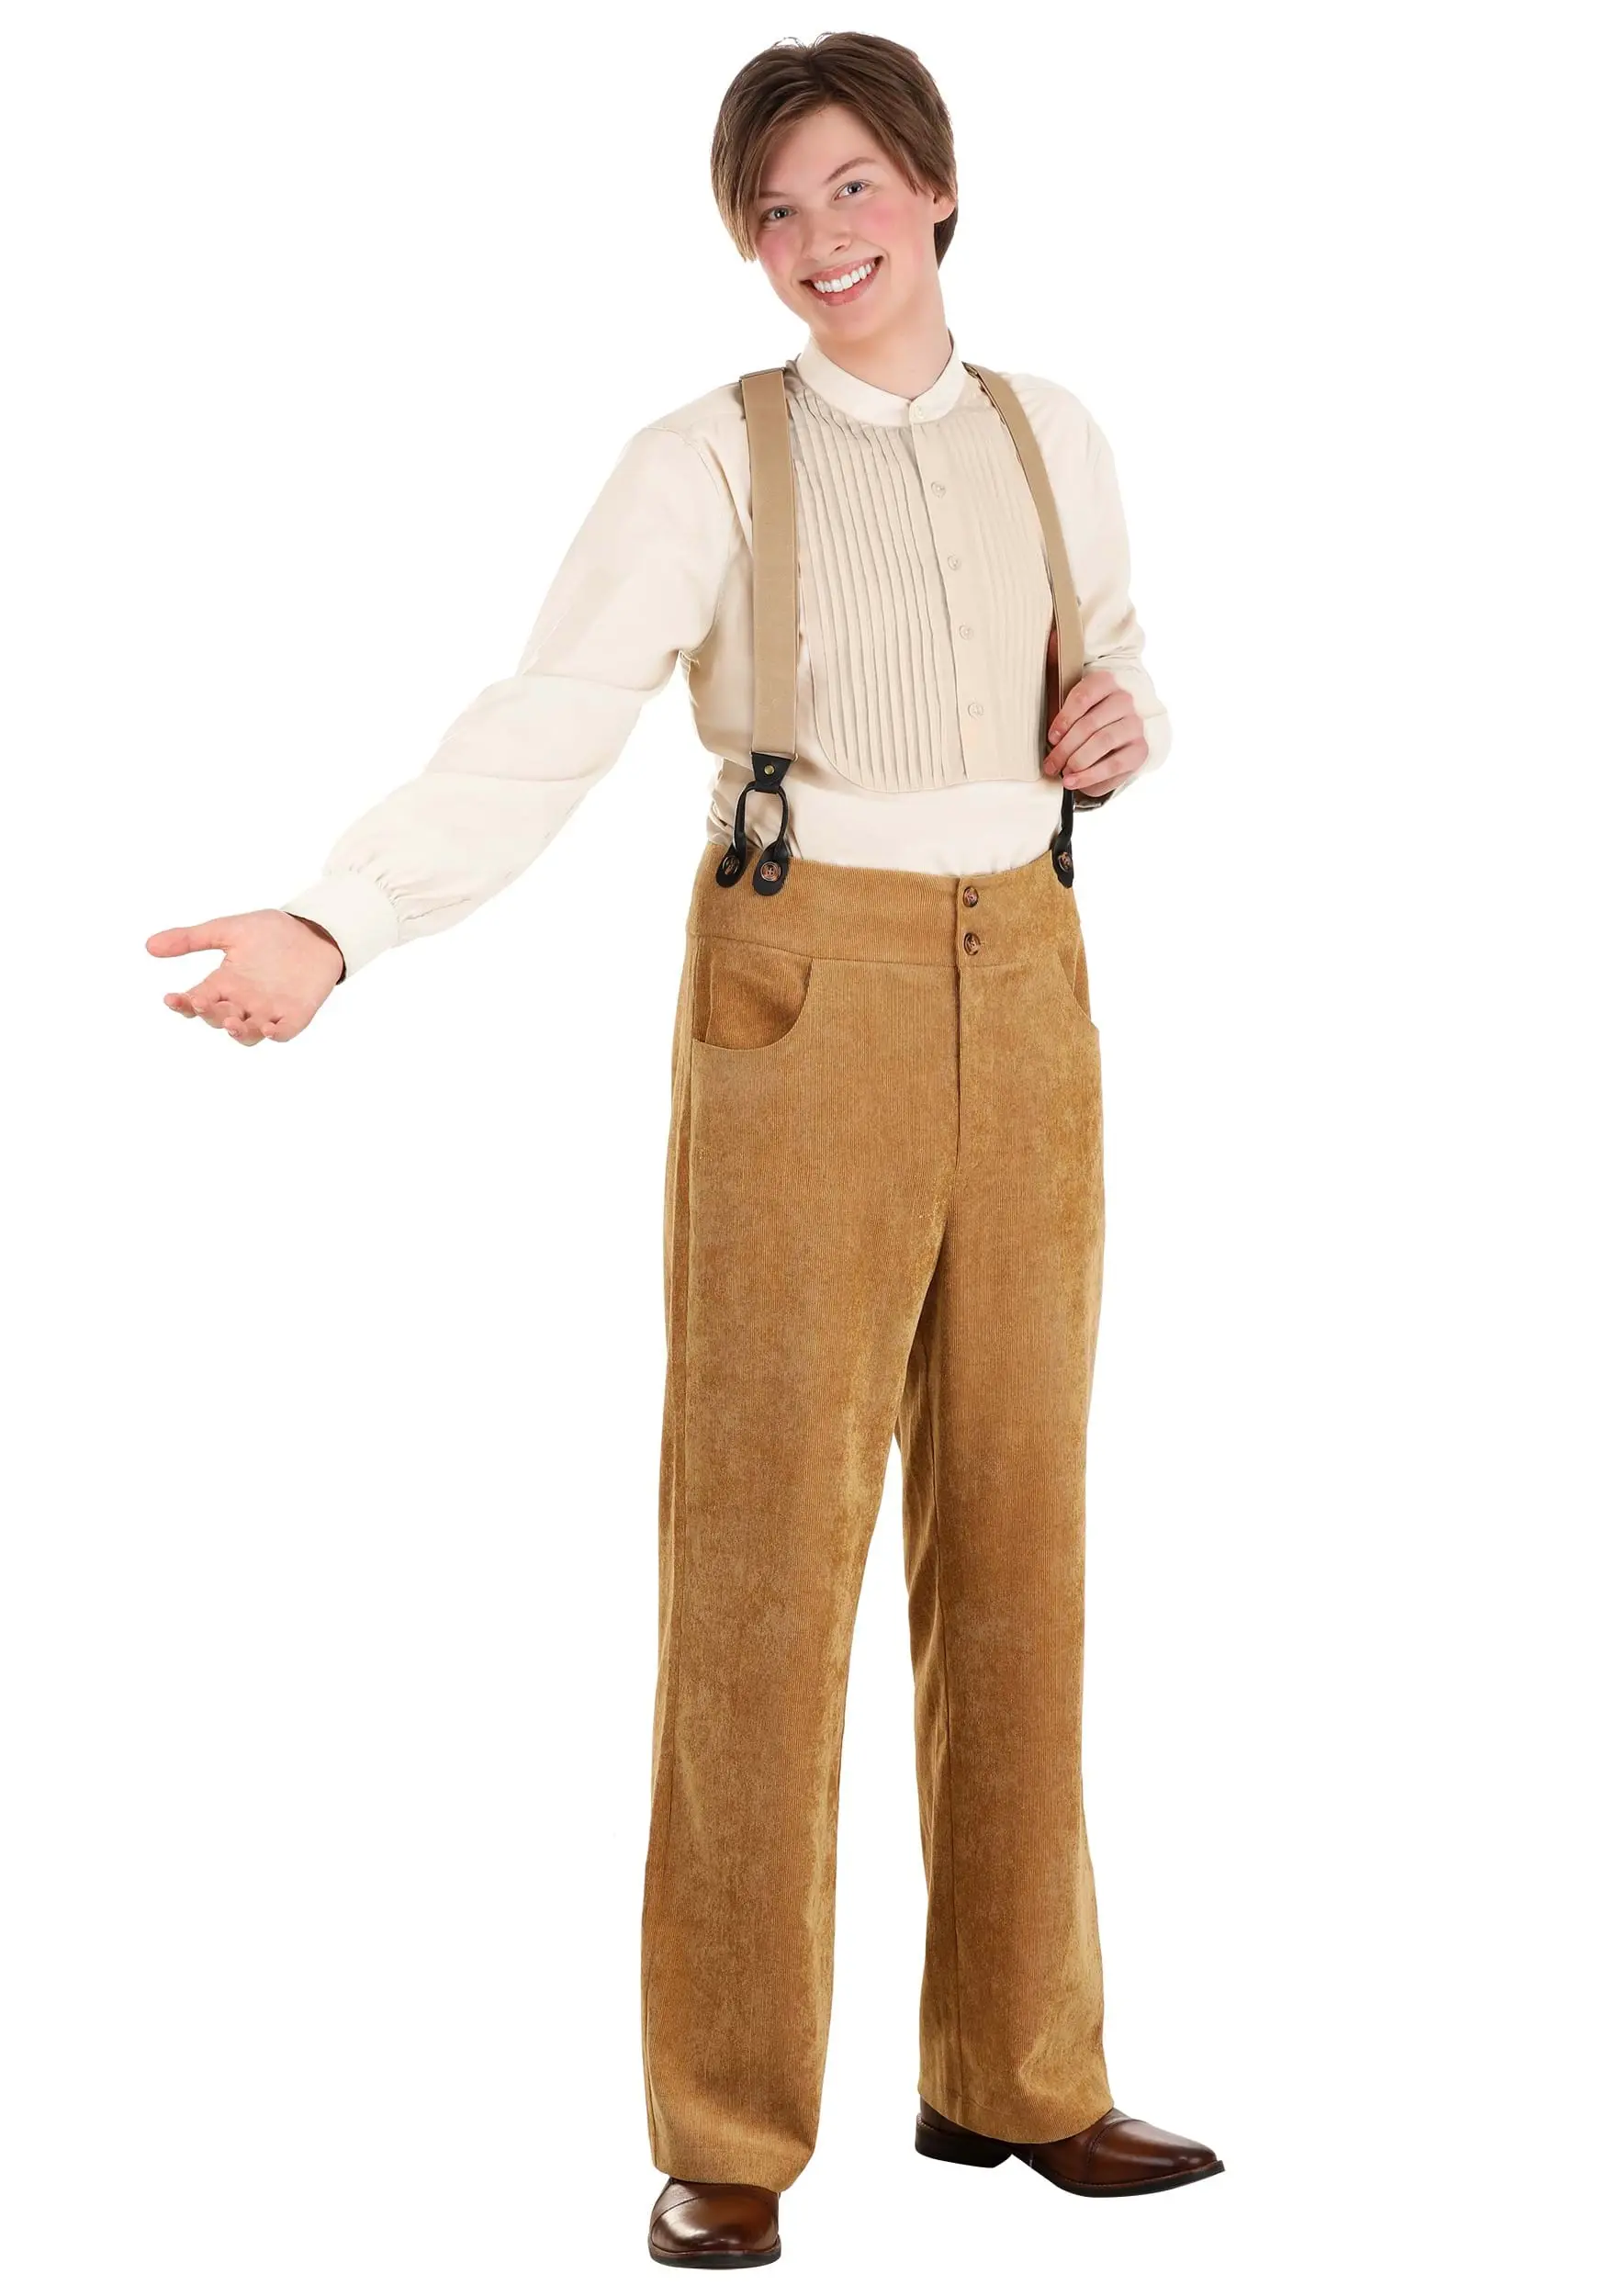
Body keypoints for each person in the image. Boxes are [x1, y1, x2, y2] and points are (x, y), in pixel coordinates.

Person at [146, 30, 1221, 2269]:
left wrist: (1120, 726)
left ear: (935, 188)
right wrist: (338, 921)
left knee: (1021, 1531)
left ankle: (1016, 2065)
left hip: (1029, 979)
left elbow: (1107, 667)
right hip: (797, 986)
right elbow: (544, 720)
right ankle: (726, 2117)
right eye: (774, 208)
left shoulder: (1055, 430)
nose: (818, 239)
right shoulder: (704, 460)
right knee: (760, 1552)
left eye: (851, 189)